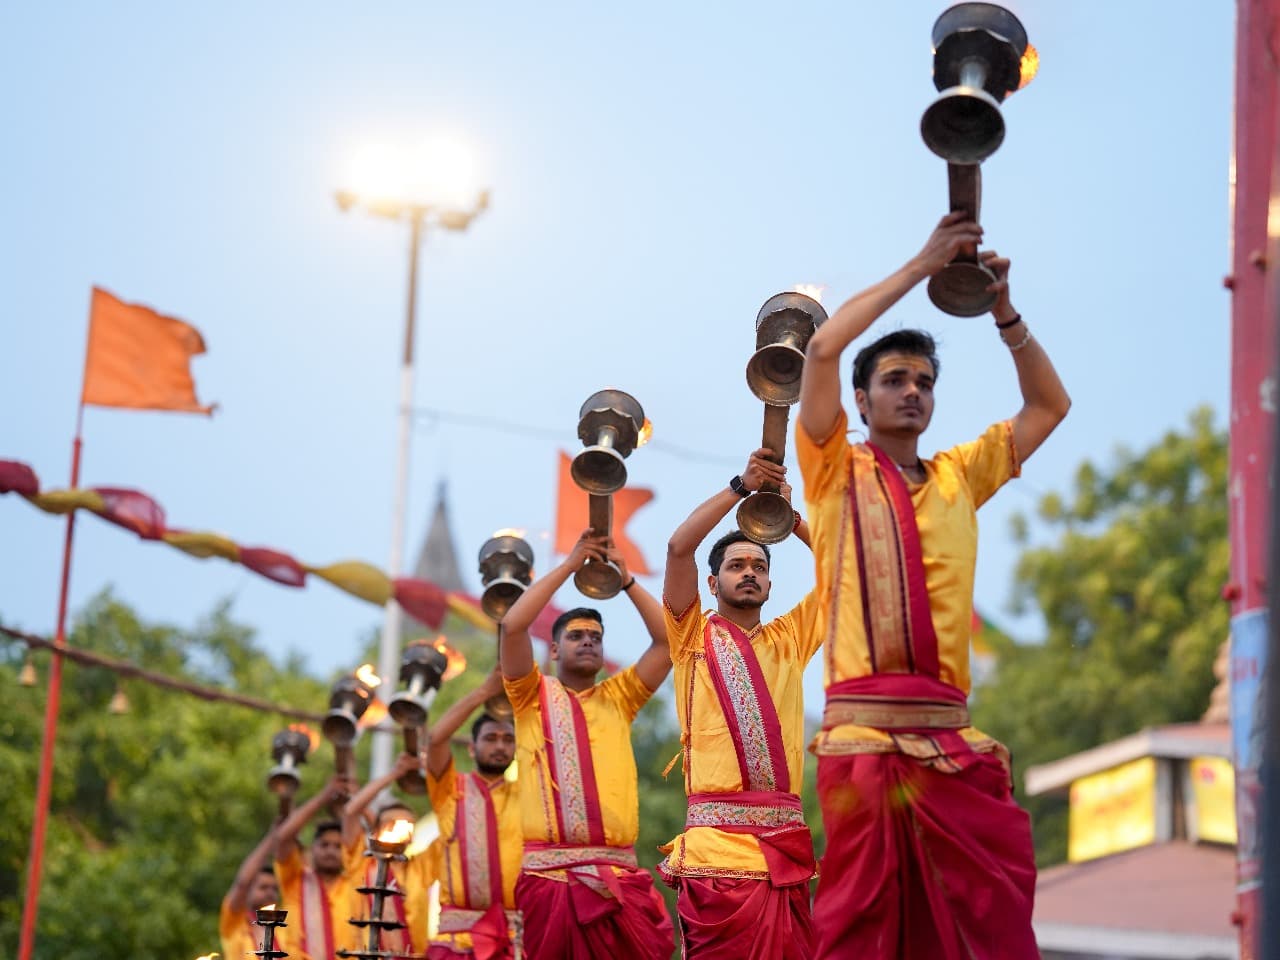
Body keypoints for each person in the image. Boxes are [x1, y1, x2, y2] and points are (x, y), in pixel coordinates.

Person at [795, 212, 1071, 959]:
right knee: (860, 929)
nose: (911, 392)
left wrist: (1003, 311)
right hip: (863, 742)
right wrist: (924, 264)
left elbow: (1050, 407)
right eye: (893, 380)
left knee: (986, 925)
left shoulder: (958, 474)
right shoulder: (831, 470)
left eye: (923, 382)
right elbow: (822, 348)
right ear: (861, 401)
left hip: (952, 742)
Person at [658, 450, 824, 959]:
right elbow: (679, 547)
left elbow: (847, 568)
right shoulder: (691, 637)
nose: (748, 572)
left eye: (759, 566)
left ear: (771, 584)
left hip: (783, 853)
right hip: (714, 856)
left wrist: (789, 518)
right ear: (714, 583)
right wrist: (741, 487)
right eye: (736, 565)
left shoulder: (791, 638)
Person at [499, 531, 675, 960]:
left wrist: (627, 579)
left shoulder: (620, 697)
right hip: (550, 881)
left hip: (618, 878)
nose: (589, 640)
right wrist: (570, 565)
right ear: (554, 649)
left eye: (595, 636)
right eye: (577, 635)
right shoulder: (529, 696)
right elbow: (513, 625)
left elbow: (669, 642)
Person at [423, 667, 522, 959]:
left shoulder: (528, 794)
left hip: (517, 940)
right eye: (491, 738)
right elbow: (437, 740)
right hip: (458, 941)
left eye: (508, 739)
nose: (500, 746)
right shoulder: (451, 789)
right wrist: (484, 692)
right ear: (471, 747)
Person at [340, 753, 434, 956]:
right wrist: (395, 773)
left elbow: (451, 824)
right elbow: (350, 812)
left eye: (407, 826)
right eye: (391, 824)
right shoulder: (362, 864)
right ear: (375, 832)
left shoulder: (420, 866)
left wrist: (434, 771)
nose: (398, 832)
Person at [274, 775, 360, 960]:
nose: (331, 851)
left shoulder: (357, 885)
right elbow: (283, 838)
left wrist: (356, 799)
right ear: (312, 848)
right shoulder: (295, 880)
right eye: (324, 845)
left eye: (338, 847)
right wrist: (324, 797)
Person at [219, 824, 281, 960]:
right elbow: (243, 883)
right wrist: (272, 837)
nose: (270, 893)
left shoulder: (283, 930)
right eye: (263, 887)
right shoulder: (235, 923)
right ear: (248, 893)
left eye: (274, 888)